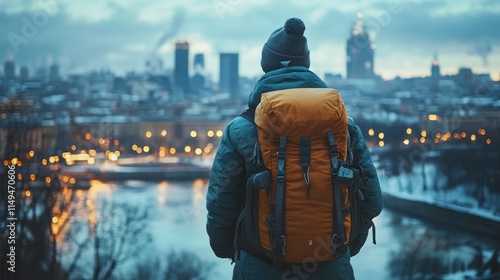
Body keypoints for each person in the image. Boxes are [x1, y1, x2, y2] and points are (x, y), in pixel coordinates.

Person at [206, 17, 383, 280]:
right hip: (331, 265)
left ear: (267, 65)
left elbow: (222, 202)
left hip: (260, 264)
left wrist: (227, 249)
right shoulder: (344, 127)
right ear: (306, 64)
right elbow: (371, 200)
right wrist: (344, 247)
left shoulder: (241, 129)